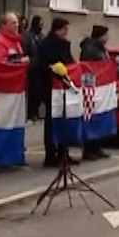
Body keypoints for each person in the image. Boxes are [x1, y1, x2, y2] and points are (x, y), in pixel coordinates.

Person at [35, 17, 76, 166]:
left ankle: (63, 152)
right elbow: (39, 65)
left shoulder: (64, 45)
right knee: (51, 121)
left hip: (63, 88)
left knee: (64, 119)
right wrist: (51, 68)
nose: (66, 32)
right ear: (57, 29)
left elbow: (70, 62)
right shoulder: (45, 44)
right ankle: (50, 154)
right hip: (50, 87)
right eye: (64, 29)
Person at [78, 23, 112, 162]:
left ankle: (97, 147)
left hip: (100, 88)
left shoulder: (100, 48)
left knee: (99, 117)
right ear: (100, 36)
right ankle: (89, 149)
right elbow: (91, 67)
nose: (107, 38)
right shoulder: (90, 49)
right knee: (91, 118)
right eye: (105, 35)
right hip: (91, 88)